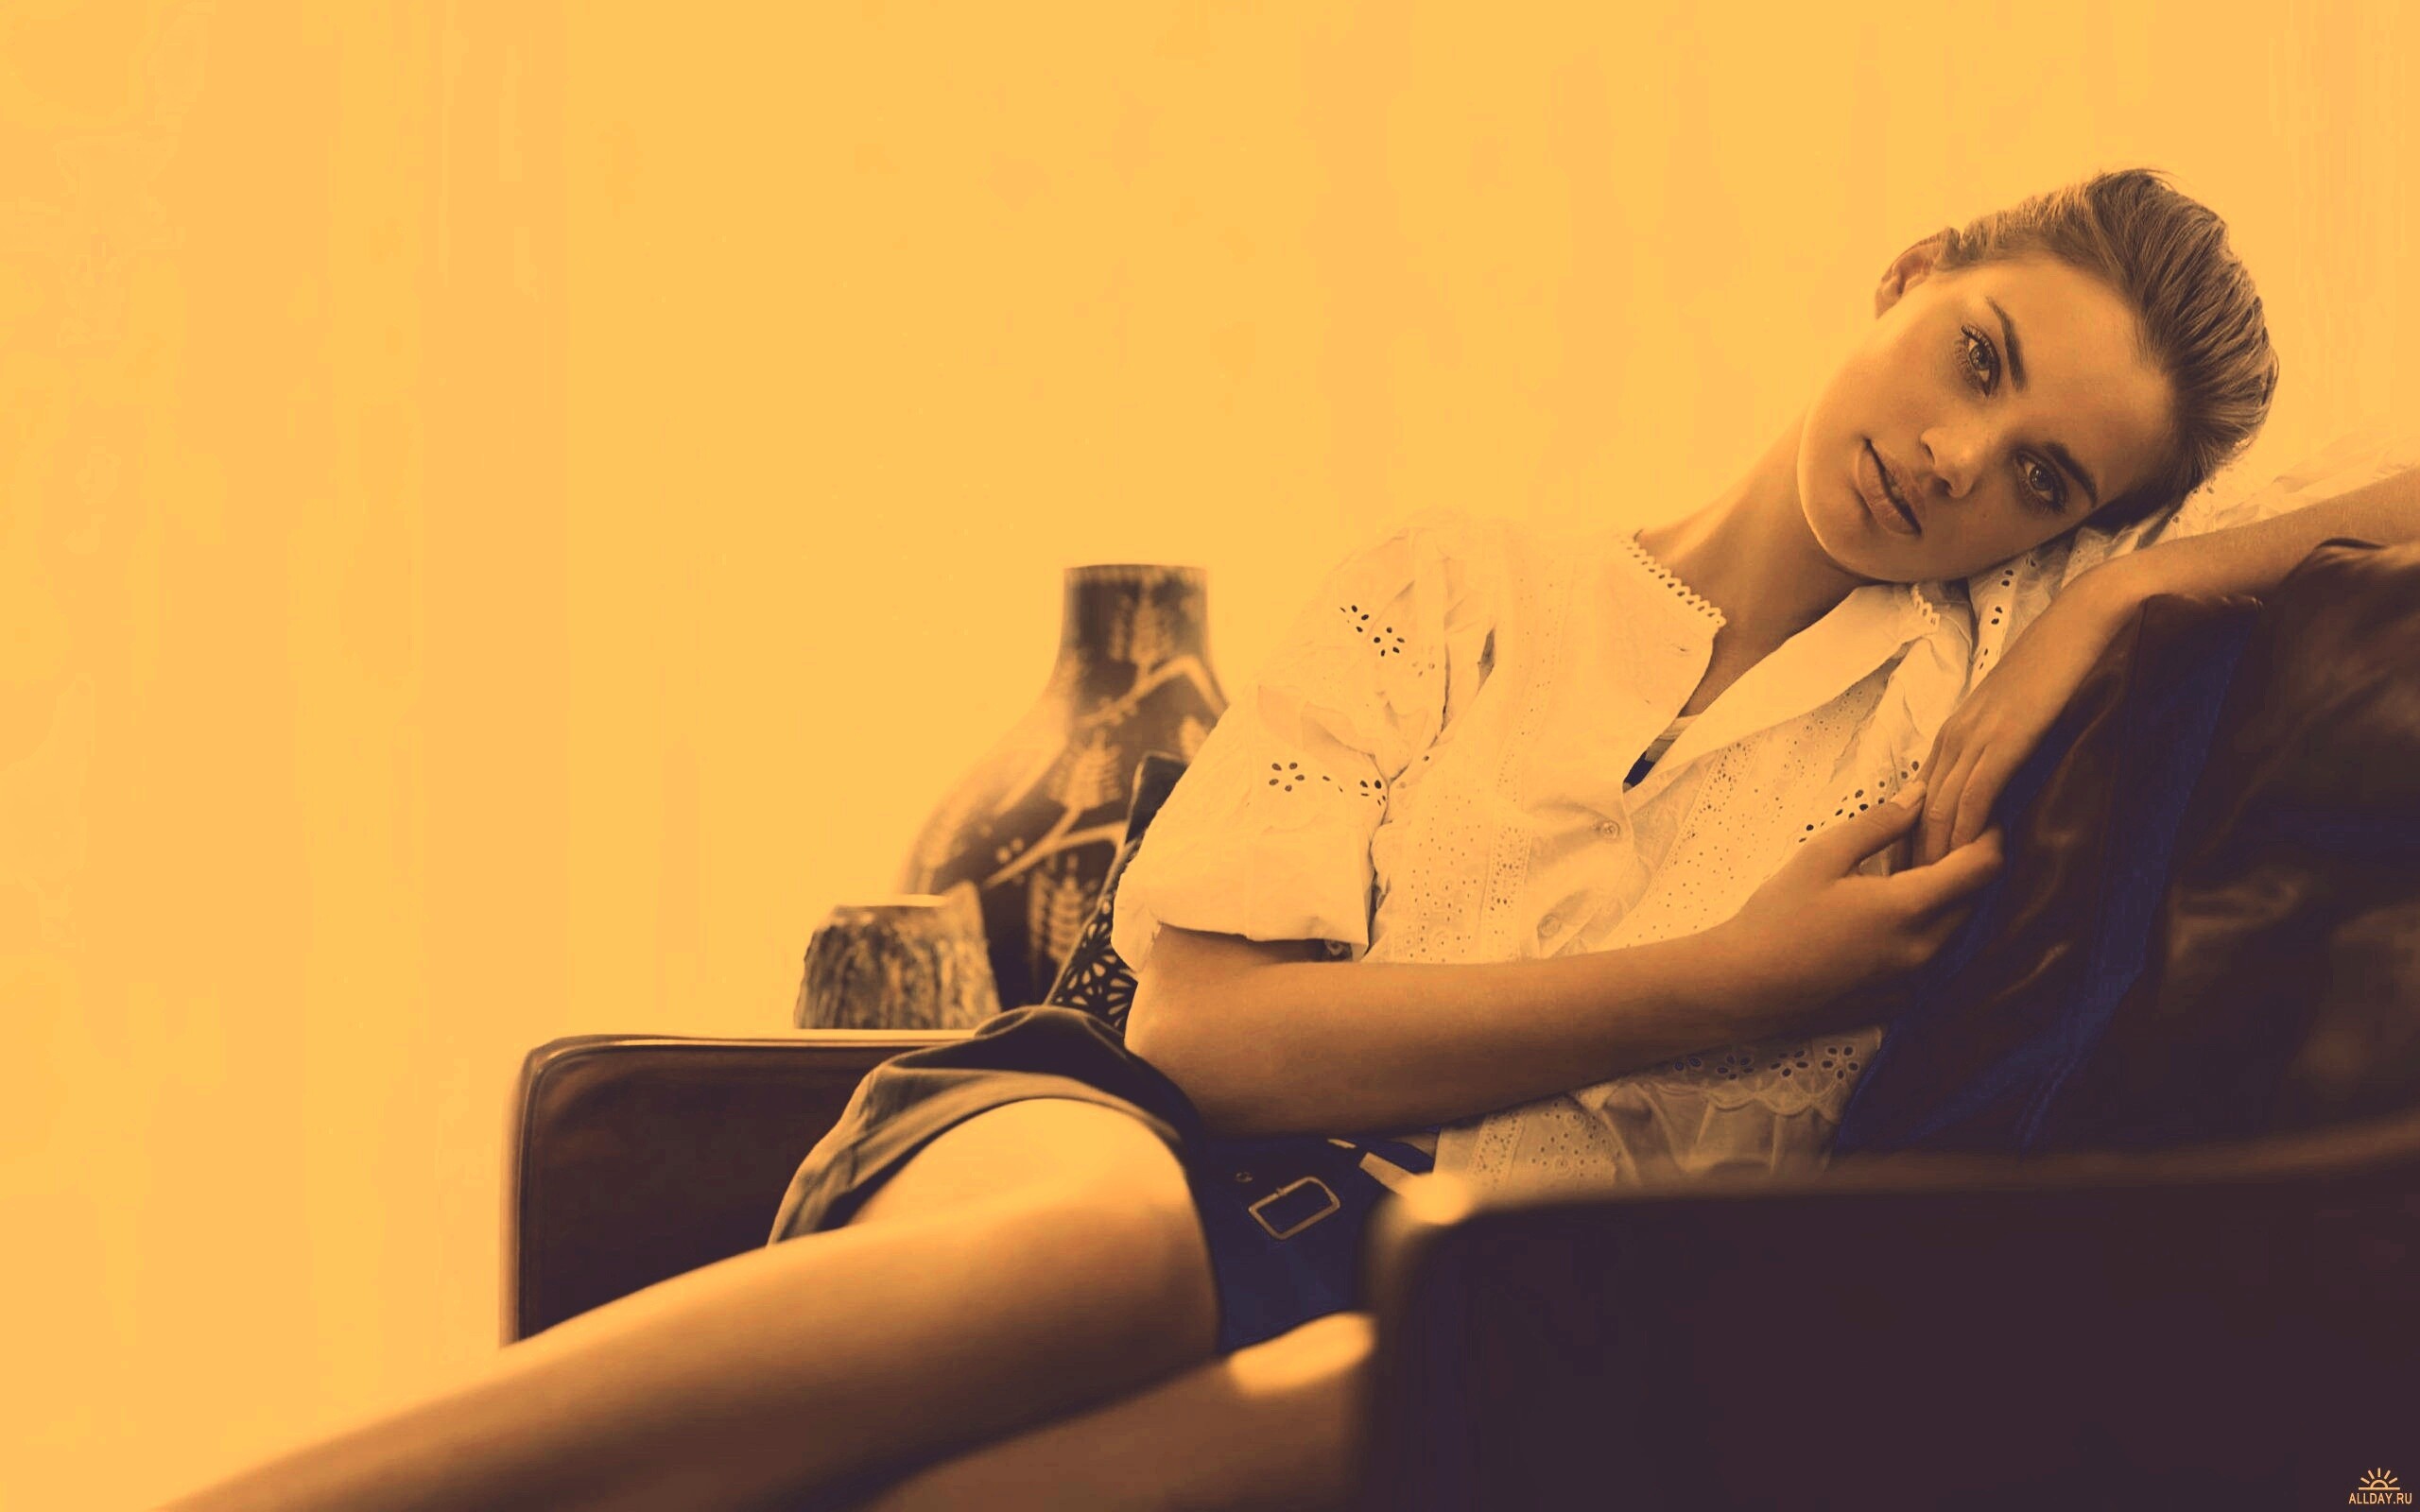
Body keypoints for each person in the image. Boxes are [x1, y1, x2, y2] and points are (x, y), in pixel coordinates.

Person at [174, 163, 2420, 1512]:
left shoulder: (1992, 693)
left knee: (1353, 1396)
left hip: (1448, 1301)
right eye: (1977, 357)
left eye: (2044, 476)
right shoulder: (1448, 583)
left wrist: (2124, 594)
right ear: (1909, 270)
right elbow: (1214, 1036)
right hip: (1117, 1136)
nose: (1958, 456)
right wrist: (1731, 980)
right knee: (1089, 1254)